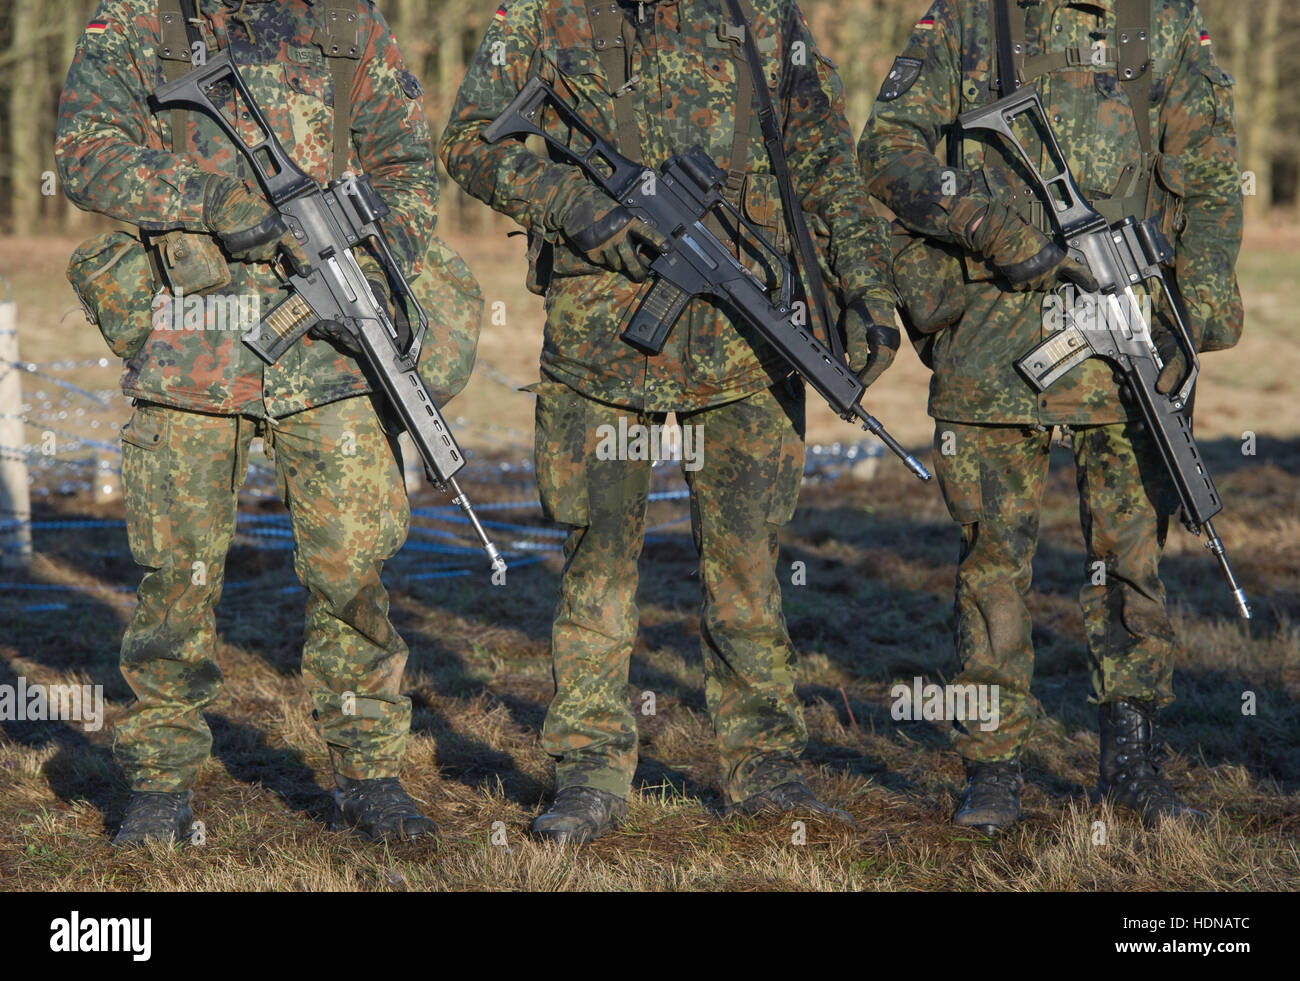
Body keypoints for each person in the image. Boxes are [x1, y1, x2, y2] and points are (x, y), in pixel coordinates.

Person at [441, 0, 899, 842]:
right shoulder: (549, 13)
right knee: (597, 571)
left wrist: (866, 286)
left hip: (749, 344)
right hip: (600, 343)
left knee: (750, 573)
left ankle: (766, 769)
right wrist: (584, 211)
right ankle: (589, 772)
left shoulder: (761, 14)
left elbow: (824, 153)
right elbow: (470, 137)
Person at [55, 0, 442, 846]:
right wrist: (208, 196)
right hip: (189, 343)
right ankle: (160, 785)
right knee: (176, 581)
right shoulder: (139, 19)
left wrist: (370, 252)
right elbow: (84, 153)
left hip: (335, 353)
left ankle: (370, 773)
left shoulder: (349, 23)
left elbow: (410, 165)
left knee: (354, 574)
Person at [859, 0, 1243, 832]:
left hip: (1129, 342)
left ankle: (1131, 763)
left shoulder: (1161, 21)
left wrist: (1194, 319)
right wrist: (991, 228)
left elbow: (1212, 177)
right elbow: (885, 149)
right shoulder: (968, 17)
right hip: (993, 344)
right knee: (993, 562)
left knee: (1132, 560)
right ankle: (993, 767)